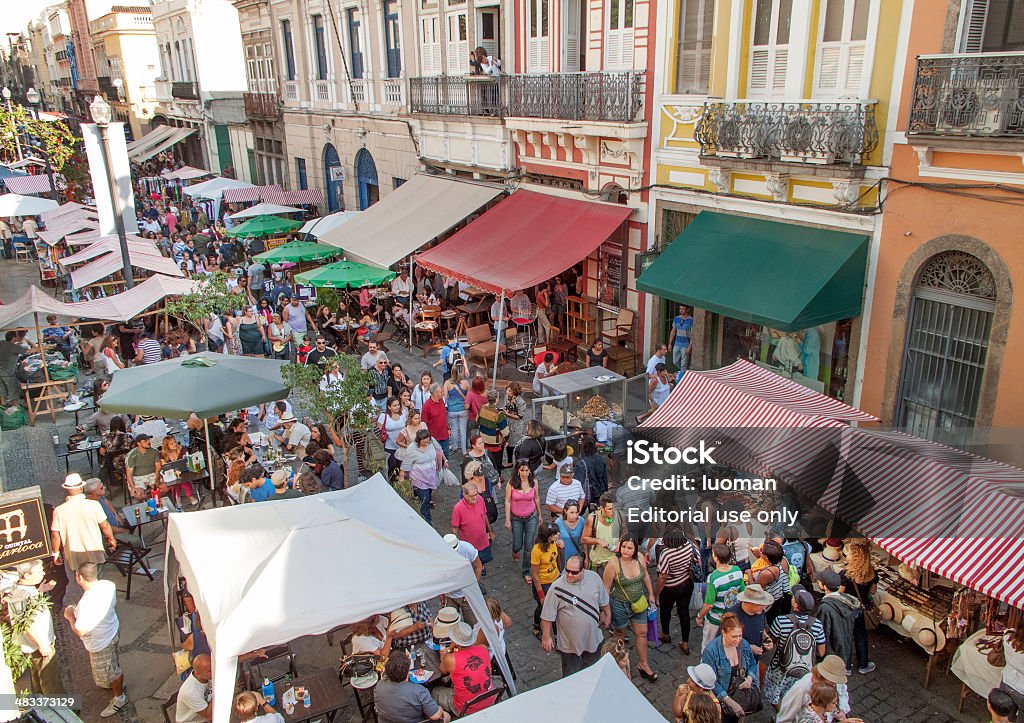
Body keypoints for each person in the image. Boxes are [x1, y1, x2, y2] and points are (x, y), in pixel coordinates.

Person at [64, 563, 127, 718]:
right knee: (112, 663)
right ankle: (115, 686)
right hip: (111, 631)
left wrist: (70, 616)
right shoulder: (108, 585)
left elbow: (80, 630)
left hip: (101, 642)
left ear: (79, 577)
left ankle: (119, 698)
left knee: (110, 671)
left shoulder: (87, 603)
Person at [540, 554, 610, 677]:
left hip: (593, 640)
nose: (569, 575)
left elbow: (603, 599)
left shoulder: (594, 578)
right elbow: (547, 615)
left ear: (583, 571)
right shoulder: (557, 588)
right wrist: (546, 637)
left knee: (594, 674)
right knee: (571, 679)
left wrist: (607, 614)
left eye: (574, 572)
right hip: (570, 646)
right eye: (567, 571)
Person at [602, 532, 658, 682]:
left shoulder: (640, 558)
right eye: (624, 547)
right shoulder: (613, 563)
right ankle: (620, 666)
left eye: (630, 548)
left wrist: (651, 594)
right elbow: (606, 588)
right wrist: (606, 611)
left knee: (642, 633)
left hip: (639, 603)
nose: (626, 550)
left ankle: (643, 664)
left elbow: (645, 575)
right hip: (619, 605)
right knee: (619, 634)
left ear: (635, 549)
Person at [762, 589, 828, 707]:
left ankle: (782, 716)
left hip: (780, 668)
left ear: (796, 605)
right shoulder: (817, 624)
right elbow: (821, 652)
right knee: (796, 697)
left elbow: (770, 644)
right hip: (805, 670)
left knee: (774, 696)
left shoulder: (781, 621)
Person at [10, 559, 64, 695]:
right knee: (50, 681)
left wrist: (40, 590)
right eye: (39, 571)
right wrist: (41, 644)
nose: (43, 572)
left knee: (40, 677)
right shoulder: (21, 596)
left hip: (37, 645)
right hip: (39, 646)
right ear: (26, 575)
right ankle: (62, 712)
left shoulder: (26, 590)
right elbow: (25, 625)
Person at [51, 474, 116, 581]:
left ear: (67, 489)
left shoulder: (59, 510)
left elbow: (55, 535)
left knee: (83, 581)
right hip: (94, 550)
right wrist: (111, 539)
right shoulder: (93, 505)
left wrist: (56, 552)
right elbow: (104, 525)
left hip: (74, 555)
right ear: (81, 487)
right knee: (96, 579)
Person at [701, 611, 760, 722]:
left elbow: (752, 663)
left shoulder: (744, 644)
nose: (738, 640)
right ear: (723, 632)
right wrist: (729, 701)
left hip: (740, 697)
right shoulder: (711, 651)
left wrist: (749, 678)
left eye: (740, 635)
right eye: (734, 636)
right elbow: (710, 682)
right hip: (721, 701)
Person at [433, 622, 495, 716]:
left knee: (434, 691)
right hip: (490, 699)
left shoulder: (450, 659)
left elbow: (442, 669)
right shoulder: (483, 648)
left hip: (466, 708)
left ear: (455, 641)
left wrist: (450, 649)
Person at [375, 649, 449, 723]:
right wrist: (440, 709)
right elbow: (436, 716)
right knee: (446, 716)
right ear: (407, 672)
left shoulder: (379, 686)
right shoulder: (418, 691)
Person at [696, 543, 746, 652]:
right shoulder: (737, 570)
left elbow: (709, 604)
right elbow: (742, 593)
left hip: (715, 618)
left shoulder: (713, 578)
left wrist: (700, 617)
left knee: (707, 645)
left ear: (716, 557)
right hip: (732, 616)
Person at [839, 540, 878, 674]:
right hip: (861, 608)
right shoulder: (872, 573)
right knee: (861, 636)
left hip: (847, 609)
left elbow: (840, 593)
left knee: (847, 636)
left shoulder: (846, 574)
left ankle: (847, 667)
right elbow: (873, 591)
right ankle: (863, 665)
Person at [776, 655, 853, 723]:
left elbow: (842, 693)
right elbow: (784, 719)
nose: (835, 685)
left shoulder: (834, 681)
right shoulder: (801, 688)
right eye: (833, 682)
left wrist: (842, 711)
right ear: (823, 677)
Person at [657, 530, 698, 654]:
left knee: (665, 610)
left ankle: (665, 634)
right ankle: (685, 643)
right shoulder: (689, 547)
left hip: (670, 587)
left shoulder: (666, 553)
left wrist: (656, 593)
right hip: (686, 583)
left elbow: (662, 576)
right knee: (684, 612)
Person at [815, 569, 860, 672]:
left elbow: (823, 633)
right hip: (844, 646)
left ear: (825, 586)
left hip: (831, 652)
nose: (818, 582)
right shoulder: (846, 600)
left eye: (820, 581)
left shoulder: (825, 607)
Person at [505, 460, 541, 584]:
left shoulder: (534, 482)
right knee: (517, 544)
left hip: (531, 517)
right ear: (517, 471)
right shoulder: (511, 483)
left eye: (527, 470)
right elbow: (508, 501)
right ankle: (514, 551)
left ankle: (526, 570)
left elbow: (536, 498)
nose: (524, 473)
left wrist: (540, 514)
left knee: (528, 546)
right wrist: (507, 519)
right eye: (522, 470)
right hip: (516, 518)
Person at [401, 429, 443, 523]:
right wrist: (402, 477)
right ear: (418, 440)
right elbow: (406, 464)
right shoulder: (412, 449)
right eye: (424, 442)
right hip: (418, 479)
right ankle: (427, 522)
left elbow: (440, 450)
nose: (426, 444)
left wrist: (445, 461)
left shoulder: (431, 442)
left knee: (427, 498)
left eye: (428, 442)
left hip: (430, 477)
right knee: (425, 500)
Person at [530, 522, 563, 637]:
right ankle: (537, 626)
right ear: (547, 536)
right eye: (555, 533)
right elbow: (535, 575)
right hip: (544, 584)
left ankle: (556, 634)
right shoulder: (536, 551)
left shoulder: (554, 543)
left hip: (556, 579)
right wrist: (541, 595)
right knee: (543, 608)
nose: (558, 534)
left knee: (556, 607)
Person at [582, 491, 627, 575]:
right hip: (598, 562)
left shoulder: (620, 515)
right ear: (602, 508)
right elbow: (584, 539)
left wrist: (621, 542)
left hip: (616, 560)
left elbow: (625, 532)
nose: (613, 511)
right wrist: (598, 541)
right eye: (610, 509)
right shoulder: (592, 518)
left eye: (615, 508)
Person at [452, 482, 494, 570]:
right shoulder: (458, 509)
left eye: (476, 494)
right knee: (472, 567)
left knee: (483, 560)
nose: (475, 498)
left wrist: (490, 531)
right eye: (472, 496)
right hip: (470, 546)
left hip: (483, 541)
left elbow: (484, 515)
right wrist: (455, 545)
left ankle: (481, 566)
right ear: (464, 495)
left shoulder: (480, 499)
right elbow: (454, 528)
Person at [727, 584, 774, 661]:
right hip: (738, 661)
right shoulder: (732, 616)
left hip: (754, 661)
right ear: (749, 602)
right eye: (760, 604)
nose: (764, 607)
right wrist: (748, 648)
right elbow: (725, 640)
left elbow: (761, 628)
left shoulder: (760, 611)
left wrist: (767, 639)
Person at [175, 652, 213, 722]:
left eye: (213, 667)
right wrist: (219, 691)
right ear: (197, 673)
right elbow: (209, 716)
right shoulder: (190, 692)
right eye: (209, 671)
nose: (214, 672)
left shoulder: (206, 675)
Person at [125, 433, 163, 502]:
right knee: (138, 494)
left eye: (148, 440)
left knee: (165, 488)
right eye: (145, 441)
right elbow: (129, 473)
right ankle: (149, 500)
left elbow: (158, 467)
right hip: (138, 476)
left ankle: (152, 499)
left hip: (152, 474)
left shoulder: (154, 451)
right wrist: (133, 487)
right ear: (138, 443)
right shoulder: (132, 455)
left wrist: (156, 480)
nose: (148, 442)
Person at [377, 397, 408, 479]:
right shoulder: (383, 416)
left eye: (398, 405)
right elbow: (378, 431)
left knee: (402, 468)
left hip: (401, 446)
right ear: (389, 407)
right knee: (392, 469)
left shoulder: (403, 414)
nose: (397, 407)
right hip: (389, 447)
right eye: (394, 405)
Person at [1000, 618, 1024, 719]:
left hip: (1006, 682)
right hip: (1022, 691)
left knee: (1005, 718)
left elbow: (1007, 631)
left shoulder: (1007, 639)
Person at [444, 368, 469, 455]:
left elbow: (445, 397)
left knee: (454, 429)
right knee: (463, 430)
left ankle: (454, 446)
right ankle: (464, 450)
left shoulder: (447, 383)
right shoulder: (465, 383)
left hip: (452, 410)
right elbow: (468, 397)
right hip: (463, 409)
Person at [422, 384, 451, 457]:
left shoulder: (441, 401)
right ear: (435, 393)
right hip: (434, 438)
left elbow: (445, 416)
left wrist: (448, 428)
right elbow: (423, 423)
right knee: (436, 458)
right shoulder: (426, 406)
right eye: (441, 392)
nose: (443, 393)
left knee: (446, 455)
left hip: (444, 435)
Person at [669, 304, 693, 371]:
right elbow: (673, 331)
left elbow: (692, 335)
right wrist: (670, 343)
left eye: (683, 309)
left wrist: (689, 347)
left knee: (683, 363)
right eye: (680, 309)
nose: (681, 310)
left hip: (685, 344)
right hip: (677, 343)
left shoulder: (691, 320)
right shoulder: (676, 319)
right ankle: (685, 372)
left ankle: (682, 377)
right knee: (675, 361)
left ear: (687, 310)